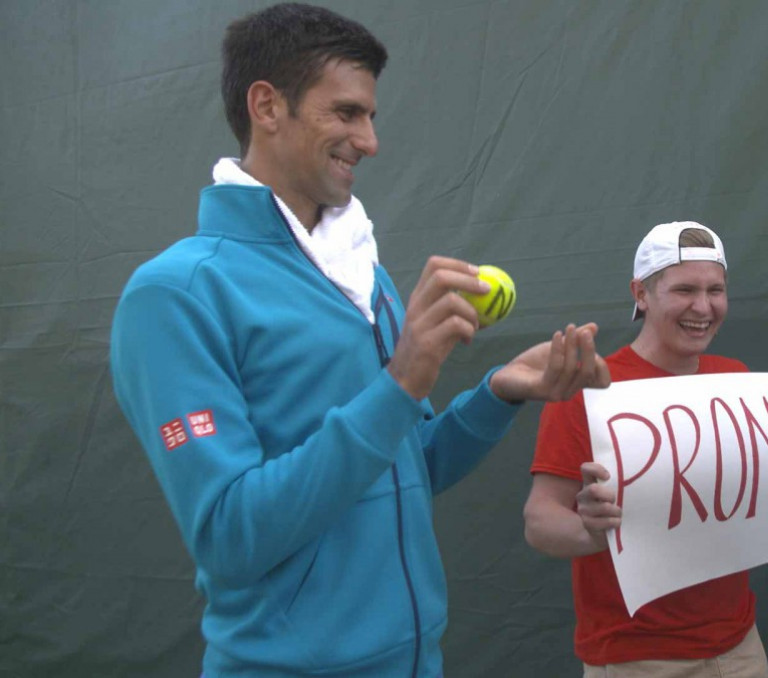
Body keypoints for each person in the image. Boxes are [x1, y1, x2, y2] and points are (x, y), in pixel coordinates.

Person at [109, 4, 610, 677]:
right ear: (267, 106)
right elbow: (229, 534)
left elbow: (407, 464)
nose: (369, 140)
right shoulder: (174, 295)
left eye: (371, 116)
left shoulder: (362, 276)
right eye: (346, 113)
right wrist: (400, 383)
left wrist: (496, 394)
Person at [523, 222, 768, 677]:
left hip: (740, 650)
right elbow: (540, 521)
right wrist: (593, 531)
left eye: (715, 289)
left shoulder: (735, 376)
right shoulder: (593, 387)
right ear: (641, 293)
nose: (703, 306)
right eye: (685, 290)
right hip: (636, 660)